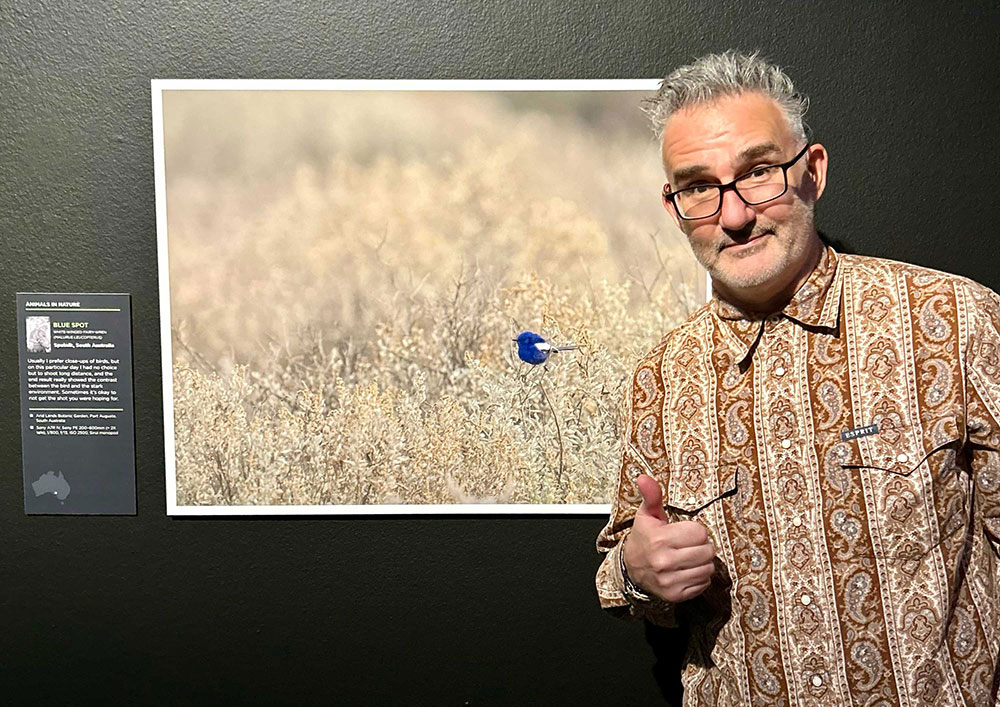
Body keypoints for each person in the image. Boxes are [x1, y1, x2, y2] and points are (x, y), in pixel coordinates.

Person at [595, 51, 1000, 705]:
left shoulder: (954, 322)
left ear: (811, 172)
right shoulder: (659, 380)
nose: (732, 215)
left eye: (757, 172)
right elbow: (623, 563)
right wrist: (636, 573)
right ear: (675, 208)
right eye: (698, 186)